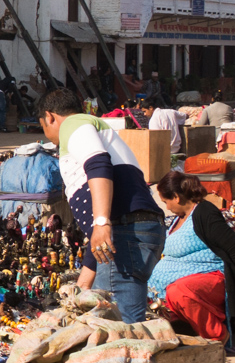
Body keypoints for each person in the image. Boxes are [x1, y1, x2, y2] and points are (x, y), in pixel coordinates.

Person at [39, 86, 163, 324]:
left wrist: (102, 222)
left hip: (124, 231)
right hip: (134, 229)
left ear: (50, 116)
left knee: (117, 327)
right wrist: (87, 274)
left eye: (43, 126)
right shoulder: (94, 127)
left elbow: (98, 164)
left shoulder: (72, 125)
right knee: (124, 322)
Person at [147, 172, 235, 348]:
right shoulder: (178, 218)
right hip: (181, 285)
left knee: (179, 292)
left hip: (212, 279)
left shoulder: (205, 213)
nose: (166, 207)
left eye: (166, 201)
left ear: (176, 197)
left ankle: (218, 336)